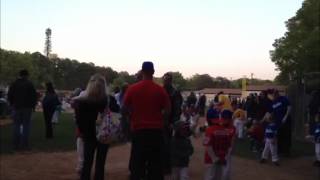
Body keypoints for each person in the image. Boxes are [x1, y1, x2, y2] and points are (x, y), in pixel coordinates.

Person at [123, 61, 171, 180]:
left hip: (138, 131)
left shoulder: (132, 89)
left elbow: (124, 108)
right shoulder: (160, 90)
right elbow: (168, 110)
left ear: (142, 71)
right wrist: (162, 119)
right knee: (155, 165)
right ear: (153, 72)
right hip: (155, 132)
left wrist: (131, 116)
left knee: (137, 164)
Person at [74, 74, 120, 180]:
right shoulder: (109, 99)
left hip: (89, 134)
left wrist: (82, 131)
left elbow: (79, 120)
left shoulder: (83, 100)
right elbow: (117, 111)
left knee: (87, 162)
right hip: (104, 134)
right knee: (100, 164)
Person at [7, 69, 37, 150]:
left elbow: (9, 95)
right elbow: (34, 96)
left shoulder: (14, 83)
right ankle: (24, 145)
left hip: (16, 107)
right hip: (27, 107)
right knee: (26, 126)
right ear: (27, 75)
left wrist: (12, 104)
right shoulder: (29, 84)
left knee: (16, 125)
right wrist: (33, 106)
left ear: (19, 75)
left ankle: (15, 144)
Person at [203, 110, 236, 180]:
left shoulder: (210, 129)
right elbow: (229, 144)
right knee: (218, 177)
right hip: (222, 157)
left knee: (210, 177)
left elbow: (208, 145)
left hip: (211, 159)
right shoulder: (225, 130)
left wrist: (214, 158)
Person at [162, 72, 183, 178]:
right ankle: (163, 165)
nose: (166, 81)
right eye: (165, 79)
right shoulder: (161, 90)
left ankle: (168, 166)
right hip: (160, 122)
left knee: (168, 144)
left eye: (168, 79)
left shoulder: (175, 93)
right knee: (162, 144)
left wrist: (173, 123)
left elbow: (177, 109)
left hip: (169, 122)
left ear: (171, 80)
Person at [266, 89, 292, 156]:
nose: (273, 96)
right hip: (278, 121)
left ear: (277, 94)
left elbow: (289, 107)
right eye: (272, 95)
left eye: (274, 94)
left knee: (286, 135)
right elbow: (271, 111)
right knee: (279, 135)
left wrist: (285, 116)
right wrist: (268, 118)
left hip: (286, 120)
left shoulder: (283, 99)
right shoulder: (273, 102)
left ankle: (286, 151)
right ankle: (280, 150)